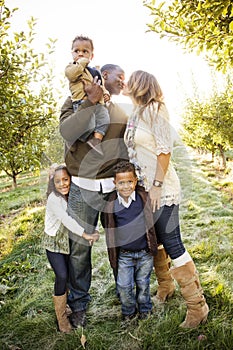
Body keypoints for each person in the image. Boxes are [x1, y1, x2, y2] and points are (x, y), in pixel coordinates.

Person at [123, 70, 209, 328]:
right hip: (145, 188)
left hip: (162, 187)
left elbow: (164, 151)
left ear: (140, 85)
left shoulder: (155, 110)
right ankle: (166, 287)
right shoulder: (136, 114)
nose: (125, 84)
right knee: (156, 239)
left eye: (130, 81)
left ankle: (197, 307)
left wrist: (158, 185)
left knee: (172, 241)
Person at [59, 64, 128, 328]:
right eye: (118, 76)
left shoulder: (119, 112)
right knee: (79, 250)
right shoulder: (74, 103)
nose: (123, 81)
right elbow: (68, 133)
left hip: (112, 190)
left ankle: (126, 298)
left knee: (120, 246)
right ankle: (78, 306)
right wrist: (90, 101)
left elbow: (124, 148)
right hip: (82, 189)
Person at [44, 164, 99, 333]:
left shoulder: (72, 197)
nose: (63, 184)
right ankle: (61, 319)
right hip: (54, 244)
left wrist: (92, 229)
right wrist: (85, 235)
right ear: (53, 183)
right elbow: (66, 220)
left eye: (66, 180)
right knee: (61, 275)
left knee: (70, 272)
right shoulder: (54, 199)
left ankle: (69, 305)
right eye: (58, 181)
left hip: (67, 242)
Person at [103, 161, 157, 321]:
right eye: (121, 183)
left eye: (129, 182)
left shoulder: (143, 198)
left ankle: (145, 309)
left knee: (143, 284)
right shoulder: (111, 204)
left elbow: (153, 223)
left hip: (145, 253)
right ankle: (128, 312)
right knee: (124, 286)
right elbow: (107, 225)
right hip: (124, 255)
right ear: (114, 183)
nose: (126, 186)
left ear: (135, 180)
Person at [65, 35, 110, 155]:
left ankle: (96, 140)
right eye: (77, 51)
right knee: (87, 124)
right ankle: (73, 138)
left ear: (92, 55)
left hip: (98, 104)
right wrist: (82, 63)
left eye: (85, 51)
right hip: (81, 102)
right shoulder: (72, 67)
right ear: (72, 53)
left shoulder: (95, 71)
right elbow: (72, 75)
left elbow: (101, 85)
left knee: (105, 119)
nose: (80, 54)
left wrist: (105, 93)